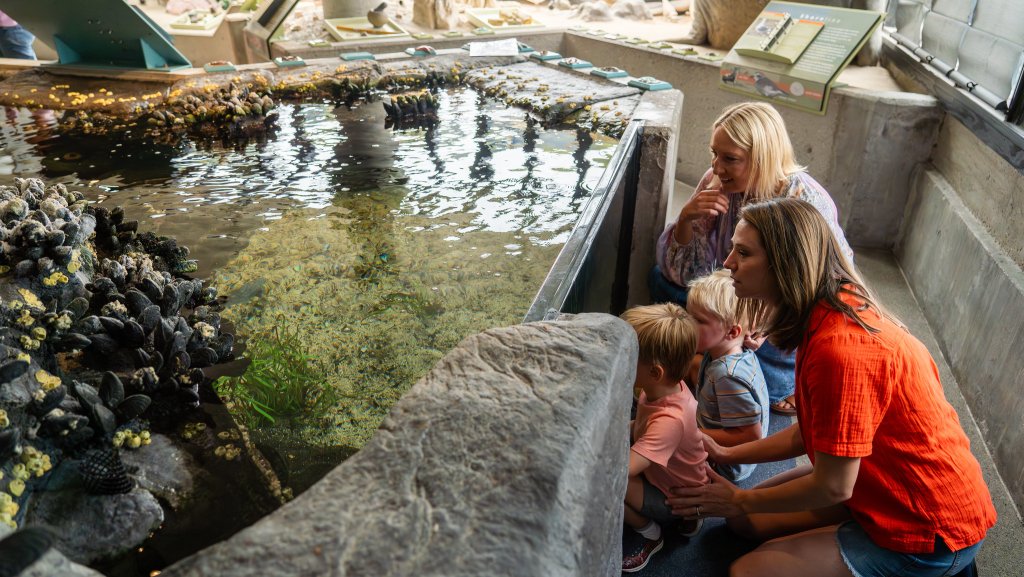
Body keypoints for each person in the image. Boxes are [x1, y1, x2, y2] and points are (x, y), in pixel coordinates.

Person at [667, 198, 996, 577]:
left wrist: (739, 497)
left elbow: (834, 486)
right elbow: (809, 435)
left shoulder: (840, 351)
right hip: (870, 485)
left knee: (746, 570)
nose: (728, 264)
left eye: (743, 253)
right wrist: (726, 453)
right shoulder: (826, 308)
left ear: (784, 264)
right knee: (745, 523)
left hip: (927, 526)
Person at [651, 101, 854, 417]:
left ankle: (759, 376)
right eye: (714, 154)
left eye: (730, 159)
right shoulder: (718, 181)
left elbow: (819, 289)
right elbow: (684, 270)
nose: (717, 167)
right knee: (659, 278)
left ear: (763, 158)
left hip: (779, 314)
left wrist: (764, 315)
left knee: (754, 344)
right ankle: (710, 354)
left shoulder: (805, 204)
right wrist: (686, 220)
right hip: (735, 296)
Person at [619, 303, 708, 573]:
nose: (619, 360)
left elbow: (623, 471)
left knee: (609, 485)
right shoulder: (664, 388)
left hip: (673, 498)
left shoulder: (669, 421)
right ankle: (691, 521)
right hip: (674, 476)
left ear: (655, 372)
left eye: (627, 356)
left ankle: (651, 534)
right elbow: (642, 424)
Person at [686, 269, 768, 482]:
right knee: (692, 362)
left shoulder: (727, 376)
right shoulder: (728, 350)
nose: (687, 323)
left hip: (725, 464)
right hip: (716, 424)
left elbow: (750, 436)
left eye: (698, 320)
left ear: (732, 332)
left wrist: (690, 433)